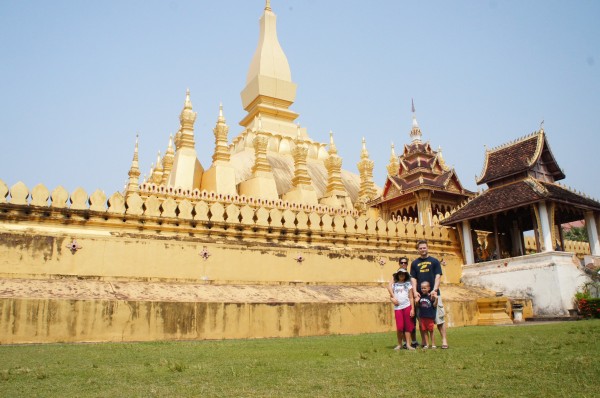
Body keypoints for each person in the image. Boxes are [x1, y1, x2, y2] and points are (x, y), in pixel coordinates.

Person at [410, 240, 449, 349]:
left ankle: (444, 340)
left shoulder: (434, 261)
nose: (422, 250)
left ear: (427, 248)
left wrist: (435, 290)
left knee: (439, 319)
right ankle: (425, 341)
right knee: (421, 318)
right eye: (420, 248)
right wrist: (415, 292)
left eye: (424, 248)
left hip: (434, 295)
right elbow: (413, 279)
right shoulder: (414, 263)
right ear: (418, 250)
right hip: (420, 296)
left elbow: (438, 276)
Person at [387, 267, 415, 350]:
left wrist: (412, 309)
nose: (401, 275)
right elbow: (390, 295)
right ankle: (399, 344)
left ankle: (408, 344)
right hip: (398, 308)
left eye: (403, 274)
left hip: (407, 306)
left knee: (408, 327)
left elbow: (411, 297)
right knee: (400, 327)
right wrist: (392, 299)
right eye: (400, 274)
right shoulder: (394, 285)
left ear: (405, 275)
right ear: (397, 275)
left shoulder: (408, 284)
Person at [417, 281, 438, 348]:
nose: (423, 289)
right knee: (424, 331)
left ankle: (433, 344)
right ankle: (427, 344)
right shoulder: (420, 296)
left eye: (425, 288)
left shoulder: (431, 296)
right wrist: (416, 301)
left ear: (429, 288)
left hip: (429, 317)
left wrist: (436, 299)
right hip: (422, 317)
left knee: (431, 331)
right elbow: (418, 306)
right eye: (422, 288)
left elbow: (434, 305)